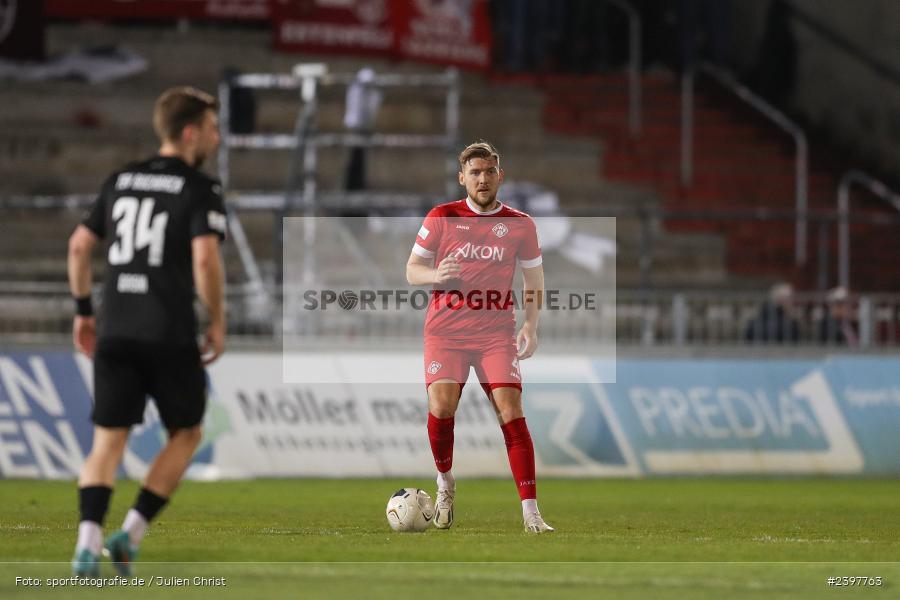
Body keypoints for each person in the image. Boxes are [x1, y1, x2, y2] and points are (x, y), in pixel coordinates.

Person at [67, 86, 227, 576]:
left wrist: (83, 312)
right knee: (187, 432)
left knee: (106, 443)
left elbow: (78, 247)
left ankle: (86, 544)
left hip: (115, 328)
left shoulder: (120, 179)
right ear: (190, 132)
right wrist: (217, 319)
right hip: (168, 330)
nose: (217, 139)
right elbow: (204, 257)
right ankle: (130, 534)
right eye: (213, 128)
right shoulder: (201, 189)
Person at [406, 141, 553, 533]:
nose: (482, 179)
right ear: (462, 178)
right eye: (475, 173)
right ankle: (445, 482)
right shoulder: (442, 216)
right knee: (441, 407)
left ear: (499, 175)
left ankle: (531, 512)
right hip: (446, 333)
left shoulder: (521, 224)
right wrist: (436, 276)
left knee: (511, 410)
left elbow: (534, 278)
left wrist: (531, 324)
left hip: (494, 335)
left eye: (489, 172)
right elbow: (412, 270)